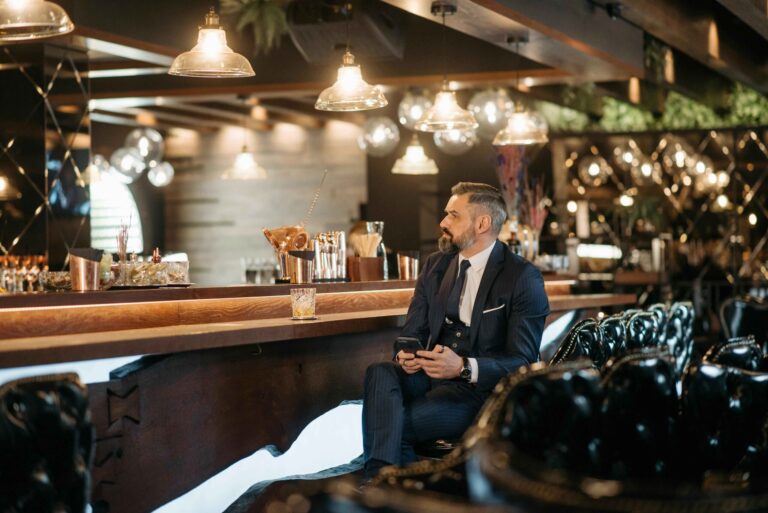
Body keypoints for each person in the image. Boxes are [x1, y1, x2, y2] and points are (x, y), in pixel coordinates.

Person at [361, 181, 550, 478]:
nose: (442, 222)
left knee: (397, 424)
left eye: (453, 215)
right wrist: (405, 354)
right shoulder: (436, 265)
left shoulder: (522, 277)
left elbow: (523, 362)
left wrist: (463, 367)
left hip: (480, 392)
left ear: (482, 223)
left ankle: (383, 485)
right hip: (428, 377)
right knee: (380, 372)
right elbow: (412, 331)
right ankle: (385, 486)